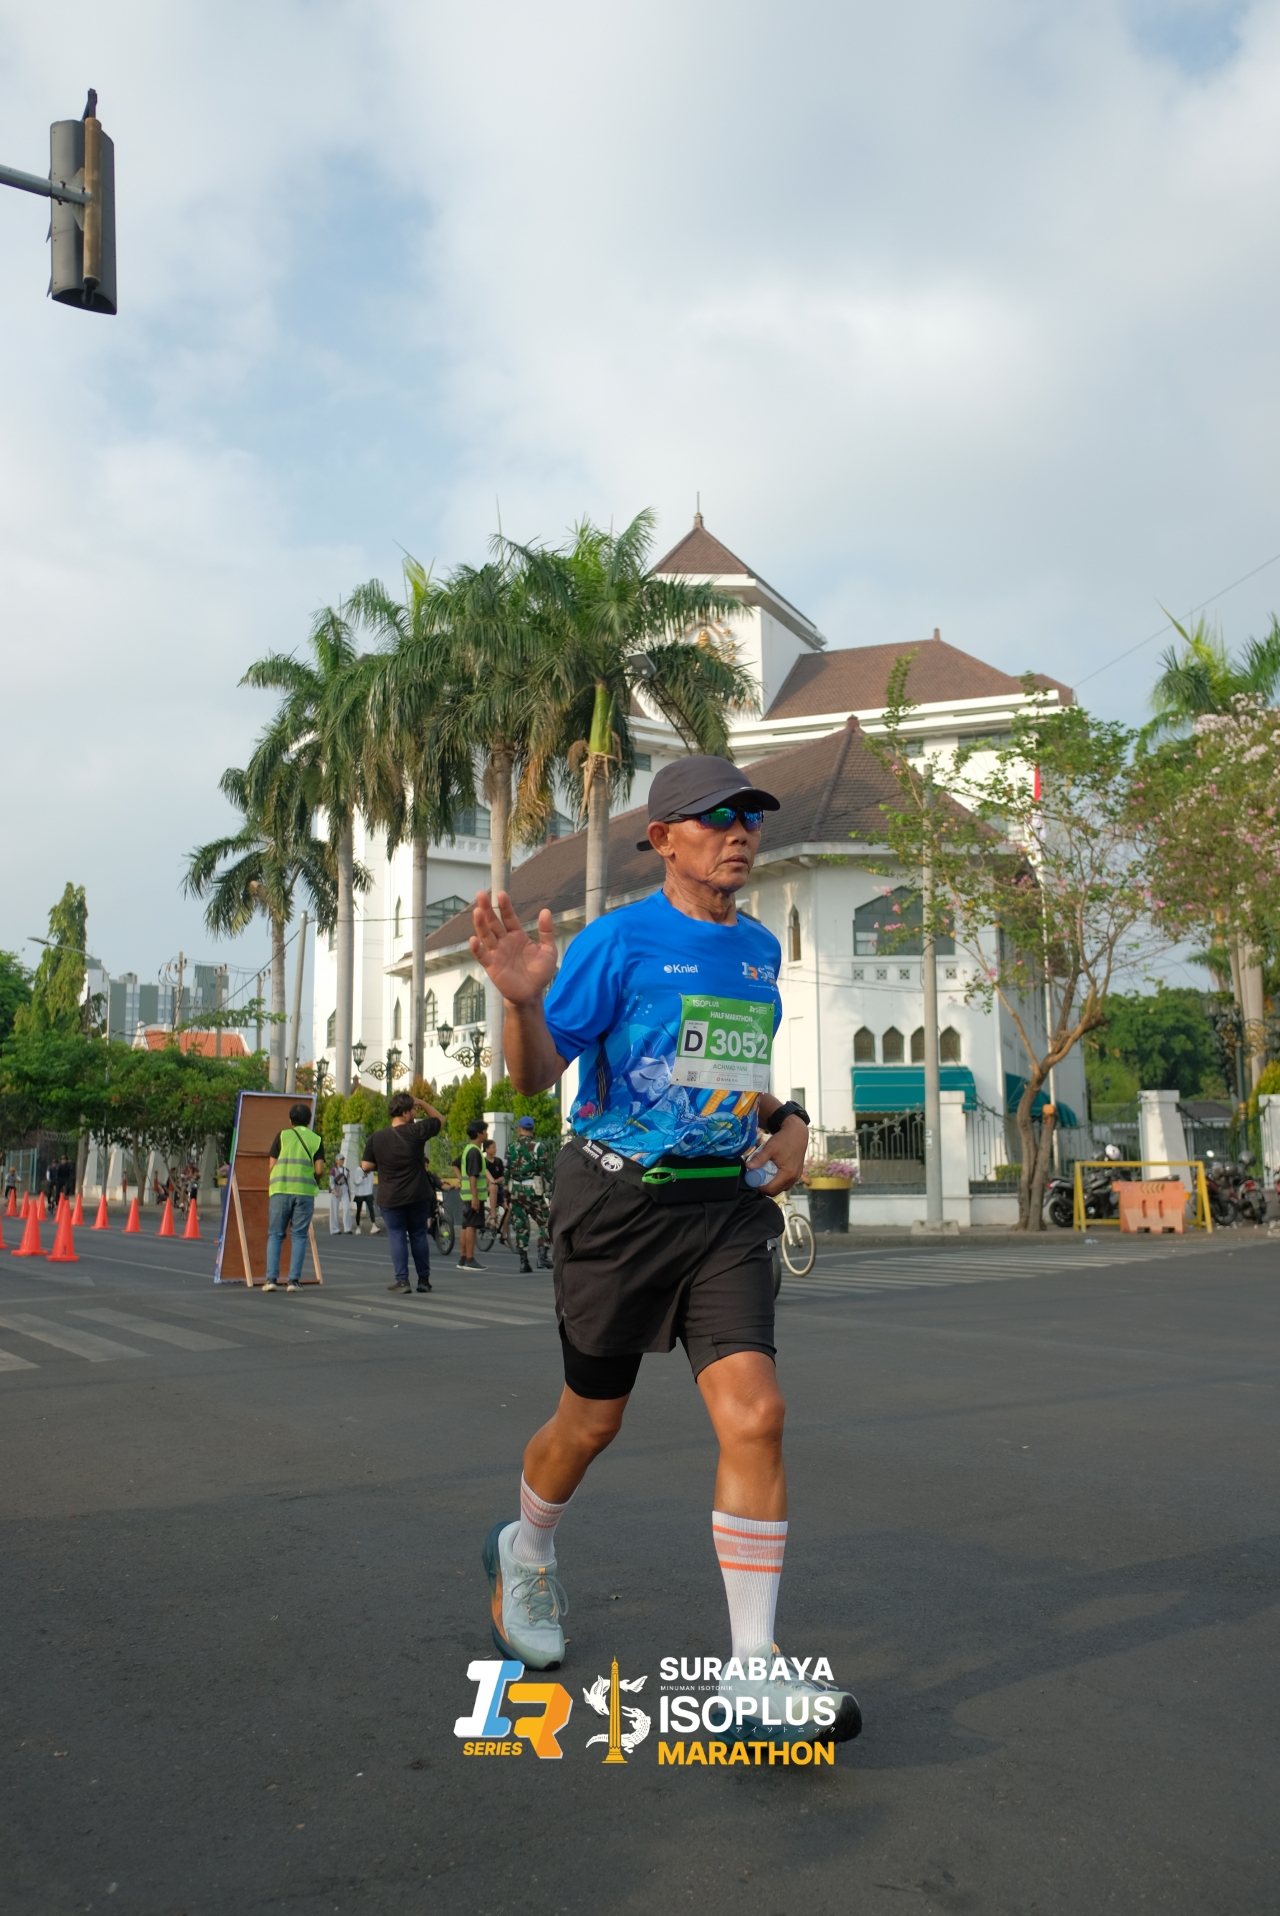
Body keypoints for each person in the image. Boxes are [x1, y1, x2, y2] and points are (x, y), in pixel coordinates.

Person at [466, 754, 860, 1748]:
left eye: (748, 819)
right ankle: (527, 1547)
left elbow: (726, 1071)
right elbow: (534, 1077)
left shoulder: (758, 950)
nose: (739, 833)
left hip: (721, 1209)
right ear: (662, 839)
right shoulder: (616, 940)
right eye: (715, 818)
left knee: (757, 1413)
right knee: (589, 1422)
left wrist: (788, 1120)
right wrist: (521, 1003)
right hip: (616, 1207)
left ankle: (753, 1668)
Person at [360, 1090, 445, 1294]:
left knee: (397, 1235)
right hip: (417, 1194)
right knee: (418, 1234)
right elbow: (440, 1119)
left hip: (390, 1196)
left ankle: (402, 1281)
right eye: (414, 1110)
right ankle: (423, 1280)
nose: (416, 1113)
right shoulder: (417, 1131)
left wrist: (383, 1165)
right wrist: (422, 1101)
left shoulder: (377, 1138)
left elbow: (365, 1166)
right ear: (405, 1113)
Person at [263, 1102, 326, 1292]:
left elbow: (271, 1166)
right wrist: (314, 1179)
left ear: (290, 1120)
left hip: (280, 1190)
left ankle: (271, 1280)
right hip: (304, 1193)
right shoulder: (316, 1139)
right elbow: (319, 1170)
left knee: (275, 1235)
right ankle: (293, 1281)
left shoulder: (282, 1136)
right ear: (309, 1121)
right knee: (298, 1236)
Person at [506, 1116, 552, 1274]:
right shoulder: (539, 1147)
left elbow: (507, 1172)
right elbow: (545, 1172)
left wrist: (506, 1195)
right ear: (533, 1129)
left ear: (519, 1129)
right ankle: (542, 1256)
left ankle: (523, 1261)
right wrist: (550, 1193)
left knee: (520, 1225)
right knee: (546, 1221)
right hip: (533, 1191)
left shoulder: (510, 1148)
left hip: (516, 1192)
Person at [457, 1119, 488, 1271]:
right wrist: (475, 1197)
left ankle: (463, 1258)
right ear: (479, 1134)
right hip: (473, 1197)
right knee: (471, 1226)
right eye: (485, 1131)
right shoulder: (475, 1151)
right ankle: (470, 1259)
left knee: (465, 1226)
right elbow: (473, 1176)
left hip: (466, 1196)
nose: (487, 1134)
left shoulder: (468, 1149)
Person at [351, 1159, 380, 1234]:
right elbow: (355, 1181)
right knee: (359, 1210)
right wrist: (362, 1177)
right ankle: (358, 1227)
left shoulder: (371, 1171)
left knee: (371, 1209)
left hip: (368, 1192)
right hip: (360, 1193)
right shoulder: (358, 1170)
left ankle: (373, 1225)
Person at [484, 1138, 506, 1233]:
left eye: (495, 1147)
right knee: (493, 1187)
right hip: (487, 1187)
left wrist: (495, 1181)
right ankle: (493, 1216)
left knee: (508, 1208)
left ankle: (504, 1234)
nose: (495, 1149)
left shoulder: (498, 1161)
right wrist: (491, 1182)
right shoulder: (483, 1162)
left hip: (498, 1186)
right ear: (487, 1149)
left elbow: (502, 1176)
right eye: (493, 1147)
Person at [328, 1155, 353, 1234]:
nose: (342, 1161)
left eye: (343, 1160)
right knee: (334, 1210)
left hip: (344, 1189)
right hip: (336, 1189)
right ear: (337, 1160)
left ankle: (347, 1228)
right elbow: (331, 1181)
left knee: (347, 1208)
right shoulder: (333, 1169)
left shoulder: (346, 1170)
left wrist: (349, 1193)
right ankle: (335, 1229)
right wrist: (334, 1190)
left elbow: (348, 1182)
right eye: (340, 1159)